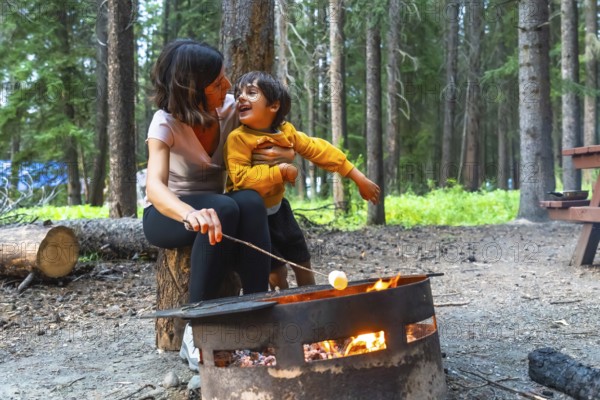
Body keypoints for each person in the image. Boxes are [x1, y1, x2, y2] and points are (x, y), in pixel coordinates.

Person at [142, 40, 294, 371]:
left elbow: (277, 136)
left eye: (225, 77)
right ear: (190, 90)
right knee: (223, 209)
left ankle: (257, 316)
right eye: (217, 83)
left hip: (218, 206)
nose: (228, 86)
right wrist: (190, 213)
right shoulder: (164, 122)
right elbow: (155, 187)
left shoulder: (228, 109)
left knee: (250, 201)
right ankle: (197, 332)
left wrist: (283, 154)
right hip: (168, 213)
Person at [224, 71, 381, 289]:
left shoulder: (286, 131)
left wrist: (356, 176)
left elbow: (317, 149)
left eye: (251, 93)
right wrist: (278, 172)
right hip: (252, 219)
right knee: (277, 273)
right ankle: (284, 308)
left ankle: (312, 303)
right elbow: (240, 178)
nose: (240, 97)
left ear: (274, 106)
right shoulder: (238, 138)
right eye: (238, 93)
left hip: (279, 211)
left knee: (303, 262)